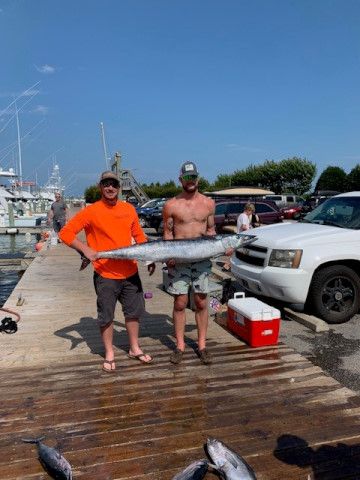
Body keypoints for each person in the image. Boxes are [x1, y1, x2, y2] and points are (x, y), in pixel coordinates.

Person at [59, 171, 154, 373]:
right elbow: (65, 233)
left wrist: (150, 258)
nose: (110, 188)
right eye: (106, 184)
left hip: (131, 272)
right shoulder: (91, 211)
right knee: (106, 316)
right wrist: (85, 249)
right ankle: (109, 352)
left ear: (119, 188)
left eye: (114, 184)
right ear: (100, 187)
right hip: (105, 274)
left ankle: (134, 348)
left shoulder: (129, 209)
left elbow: (139, 236)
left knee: (134, 313)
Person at [162, 161, 233, 365]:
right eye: (187, 177)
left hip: (202, 259)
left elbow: (211, 231)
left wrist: (222, 247)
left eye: (193, 177)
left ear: (198, 178)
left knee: (202, 302)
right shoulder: (171, 205)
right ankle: (180, 346)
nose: (190, 181)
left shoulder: (209, 203)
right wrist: (169, 258)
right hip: (180, 259)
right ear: (181, 180)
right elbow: (167, 233)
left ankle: (202, 345)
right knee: (180, 303)